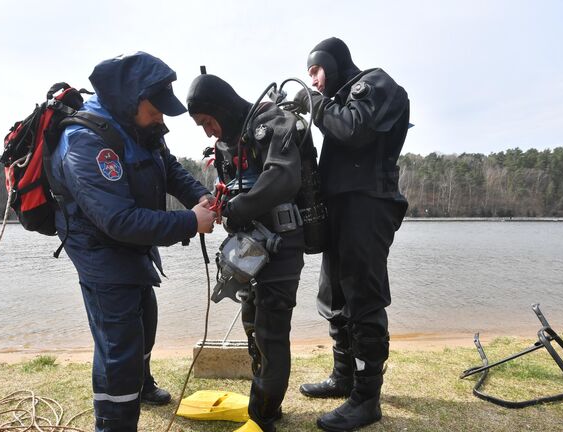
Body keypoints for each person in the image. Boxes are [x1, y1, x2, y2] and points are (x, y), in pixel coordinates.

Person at [49, 52, 217, 432]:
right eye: (156, 109)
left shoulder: (139, 127)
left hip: (132, 245)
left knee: (146, 322)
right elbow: (118, 219)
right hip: (99, 251)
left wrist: (198, 197)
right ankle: (114, 422)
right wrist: (191, 221)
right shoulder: (85, 142)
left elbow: (169, 167)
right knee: (118, 347)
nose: (161, 117)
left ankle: (140, 385)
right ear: (131, 99)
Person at [294, 37, 410, 431]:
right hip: (340, 208)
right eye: (309, 74)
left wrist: (315, 104)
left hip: (369, 204)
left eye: (316, 71)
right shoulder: (339, 101)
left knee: (363, 298)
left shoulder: (376, 84)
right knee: (335, 296)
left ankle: (366, 398)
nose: (314, 81)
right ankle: (343, 376)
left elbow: (355, 131)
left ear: (333, 62)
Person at [187, 74, 305, 432]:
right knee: (253, 324)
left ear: (220, 108)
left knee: (271, 332)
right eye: (202, 126)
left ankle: (264, 416)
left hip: (281, 245)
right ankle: (266, 401)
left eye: (208, 121)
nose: (208, 132)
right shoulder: (231, 142)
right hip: (251, 249)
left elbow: (284, 177)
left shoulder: (272, 123)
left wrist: (240, 208)